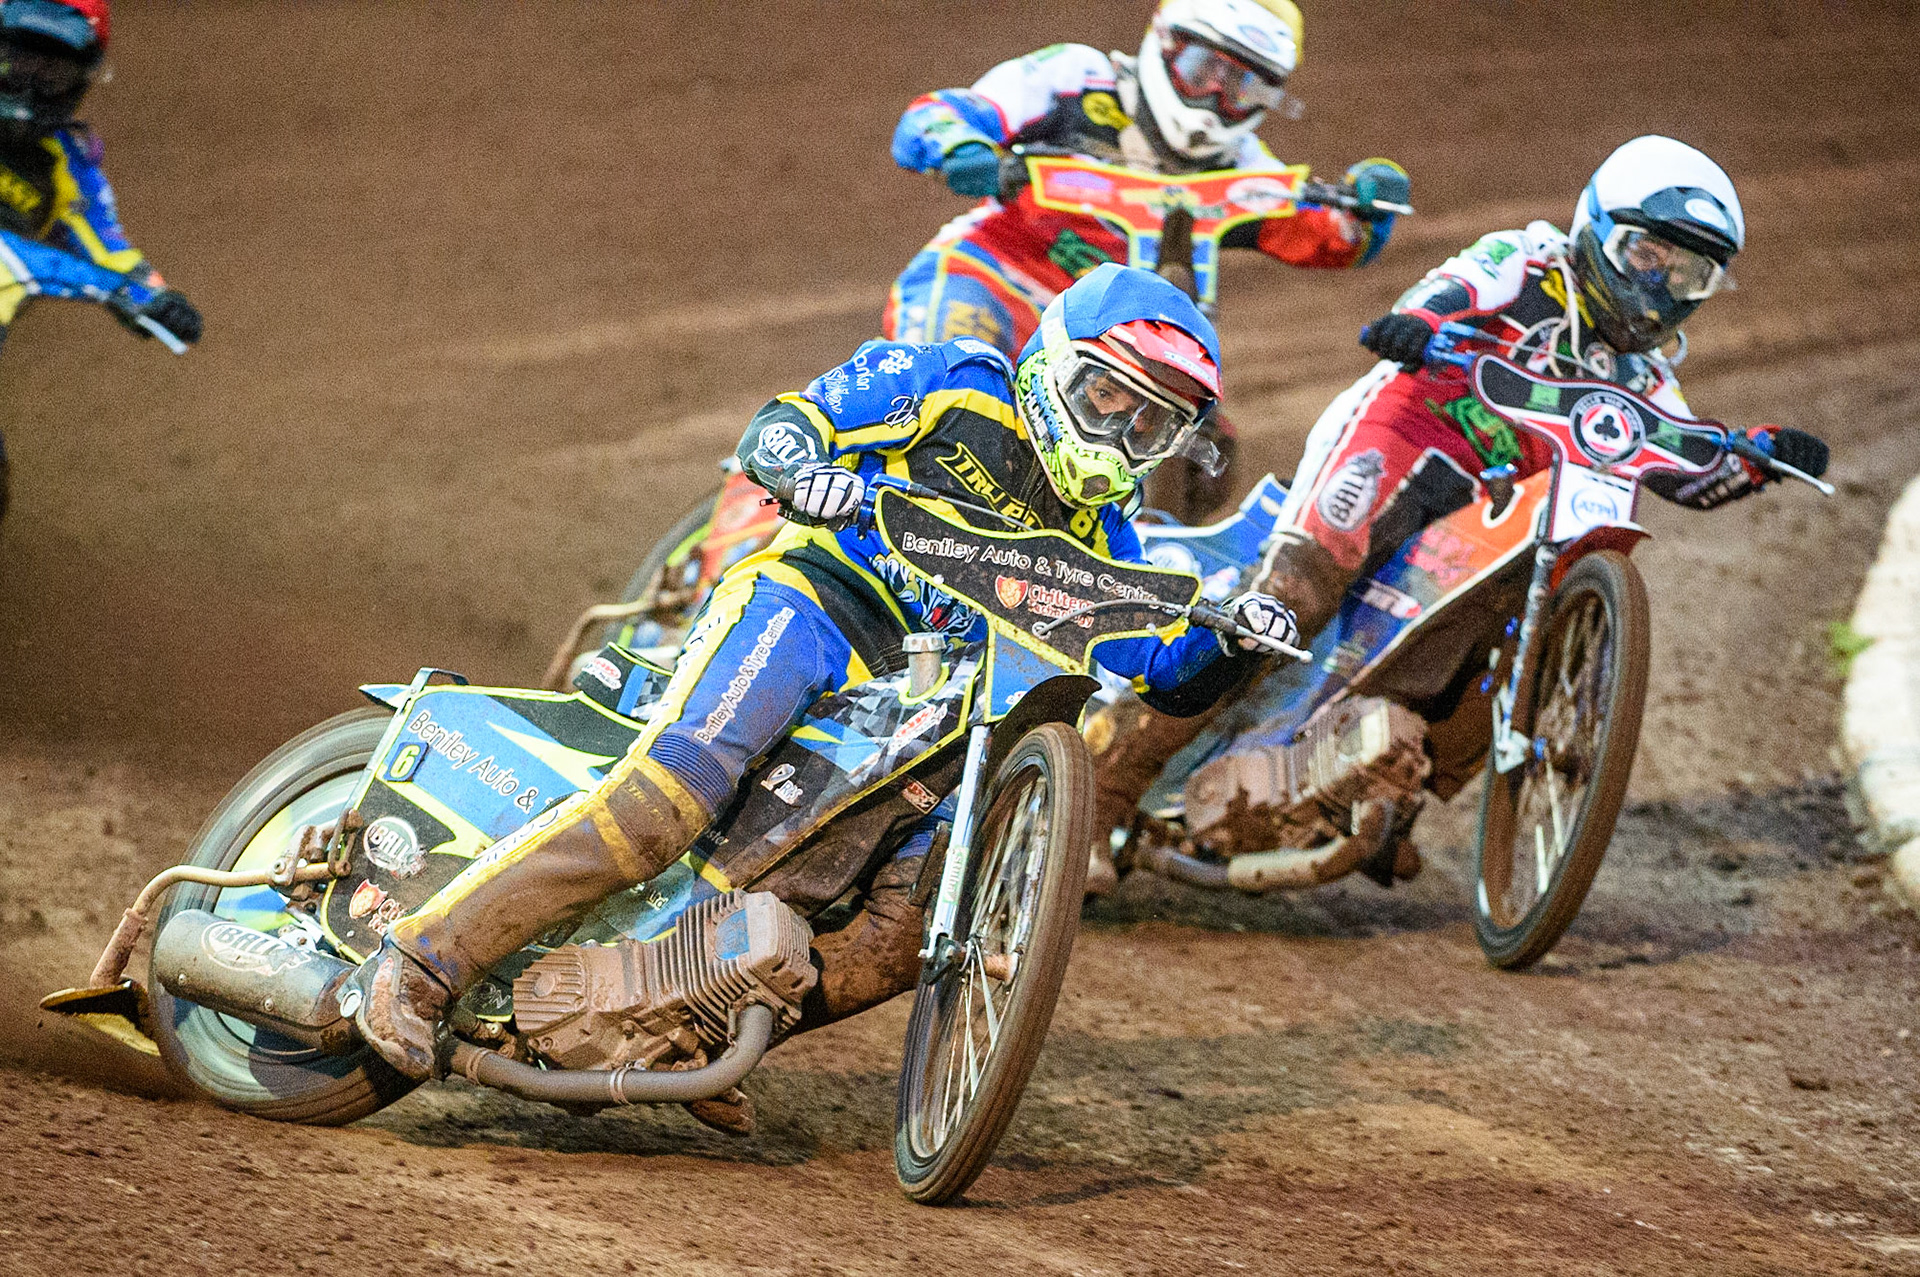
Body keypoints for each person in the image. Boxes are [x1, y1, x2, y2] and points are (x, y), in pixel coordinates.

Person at [345, 264, 1302, 1130]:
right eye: (1108, 399)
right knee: (666, 803)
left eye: (1151, 426)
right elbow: (789, 421)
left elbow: (1163, 673)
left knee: (902, 934)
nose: (1122, 436)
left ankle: (687, 1029)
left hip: (928, 705)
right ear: (1055, 365)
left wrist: (1240, 647)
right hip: (815, 605)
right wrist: (804, 467)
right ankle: (421, 960)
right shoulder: (958, 385)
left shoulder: (1106, 532)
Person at [1080, 135, 1831, 893]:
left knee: (1507, 640)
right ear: (1599, 230)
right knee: (1294, 597)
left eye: (1688, 272)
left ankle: (1378, 787)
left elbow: (1687, 465)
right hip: (1405, 436)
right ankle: (1103, 795)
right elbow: (1456, 288)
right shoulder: (1531, 262)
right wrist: (1421, 322)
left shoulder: (1644, 378)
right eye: (1647, 256)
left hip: (1487, 515)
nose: (1659, 287)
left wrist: (1759, 457)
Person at [886, 0, 1407, 514]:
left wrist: (1368, 202)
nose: (1216, 98)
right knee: (942, 387)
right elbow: (937, 114)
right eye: (1204, 71)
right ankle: (861, 499)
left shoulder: (1243, 169)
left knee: (1205, 461)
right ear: (1165, 43)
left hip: (1114, 340)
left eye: (1243, 87)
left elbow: (1329, 237)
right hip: (995, 277)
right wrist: (962, 149)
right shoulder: (1077, 77)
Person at [0, 0, 201, 514]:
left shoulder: (65, 163)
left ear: (79, 81)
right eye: (17, 59)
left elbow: (105, 248)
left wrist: (154, 297)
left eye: (51, 70)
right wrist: (112, 290)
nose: (28, 84)